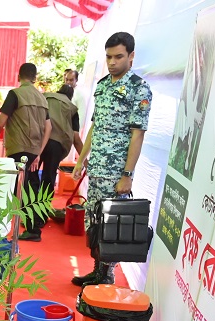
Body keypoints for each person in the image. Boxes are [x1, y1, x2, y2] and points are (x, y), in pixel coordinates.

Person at [71, 32, 152, 286]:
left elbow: (137, 135)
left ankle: (106, 276)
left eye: (118, 56)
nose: (112, 62)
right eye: (108, 57)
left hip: (116, 171)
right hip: (96, 169)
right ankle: (98, 270)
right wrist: (81, 159)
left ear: (131, 56)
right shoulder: (104, 85)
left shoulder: (139, 88)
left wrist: (127, 175)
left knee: (111, 224)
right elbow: (95, 127)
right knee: (94, 221)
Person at [0, 63, 51, 242]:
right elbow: (49, 127)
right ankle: (33, 228)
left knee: (14, 189)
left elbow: (1, 122)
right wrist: (39, 151)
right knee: (32, 189)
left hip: (18, 149)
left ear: (19, 76)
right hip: (35, 149)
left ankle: (14, 228)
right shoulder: (42, 98)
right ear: (34, 78)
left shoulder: (15, 94)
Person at [41, 85, 83, 198]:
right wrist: (85, 161)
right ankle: (42, 211)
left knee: (31, 174)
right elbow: (76, 139)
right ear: (70, 96)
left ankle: (27, 208)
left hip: (38, 141)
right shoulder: (72, 108)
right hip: (56, 144)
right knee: (49, 177)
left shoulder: (44, 97)